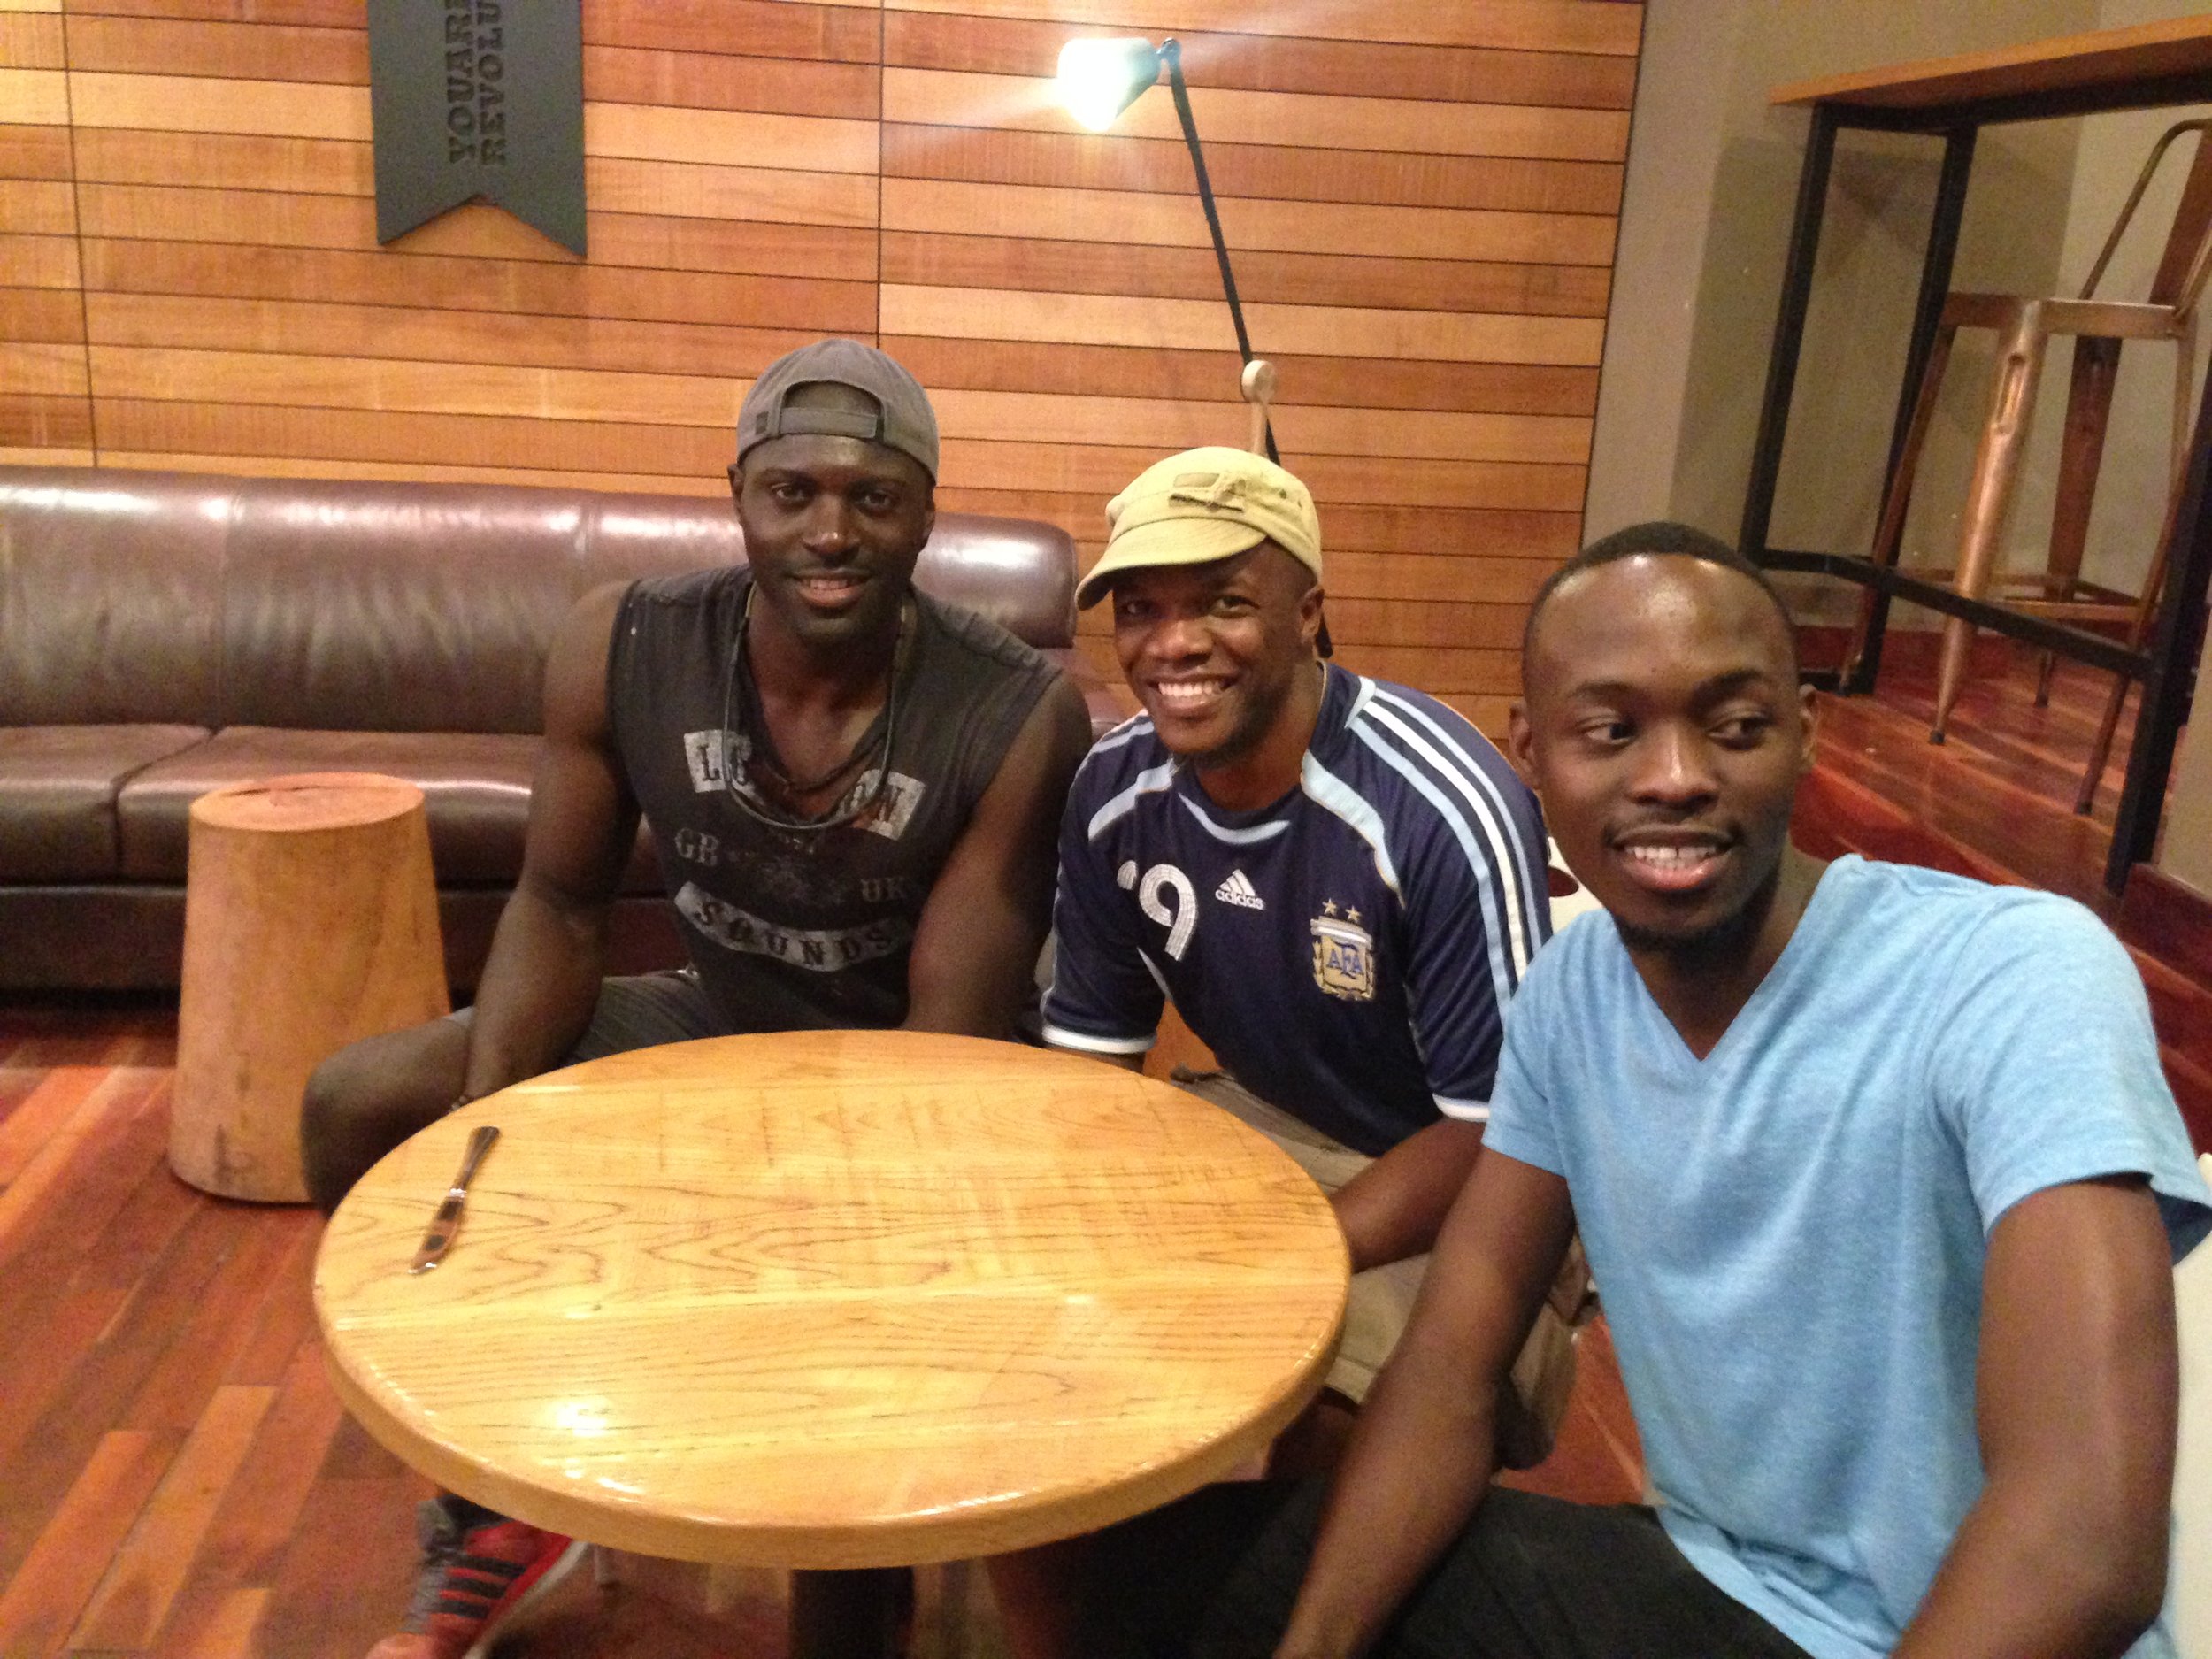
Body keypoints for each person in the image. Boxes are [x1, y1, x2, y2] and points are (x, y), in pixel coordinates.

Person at [1058, 521, 2212, 1659]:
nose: (1673, 778)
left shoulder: (2014, 972)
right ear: (1533, 752)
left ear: (1805, 734)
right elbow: (1456, 1369)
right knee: (1149, 1567)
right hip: (1721, 1589)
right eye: (1611, 731)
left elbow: (2083, 1545)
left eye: (1736, 725)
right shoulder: (1573, 997)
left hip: (1989, 1626)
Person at [300, 338, 1093, 1659]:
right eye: (795, 493)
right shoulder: (623, 641)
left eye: (873, 497)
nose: (831, 530)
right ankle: (496, 1499)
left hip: (912, 1076)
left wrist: (753, 1204)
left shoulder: (1015, 712)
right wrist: (490, 1135)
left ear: (925, 518)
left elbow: (942, 1059)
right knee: (360, 1106)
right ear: (740, 496)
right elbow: (557, 905)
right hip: (714, 1016)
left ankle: (868, 1535)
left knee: (832, 1546)